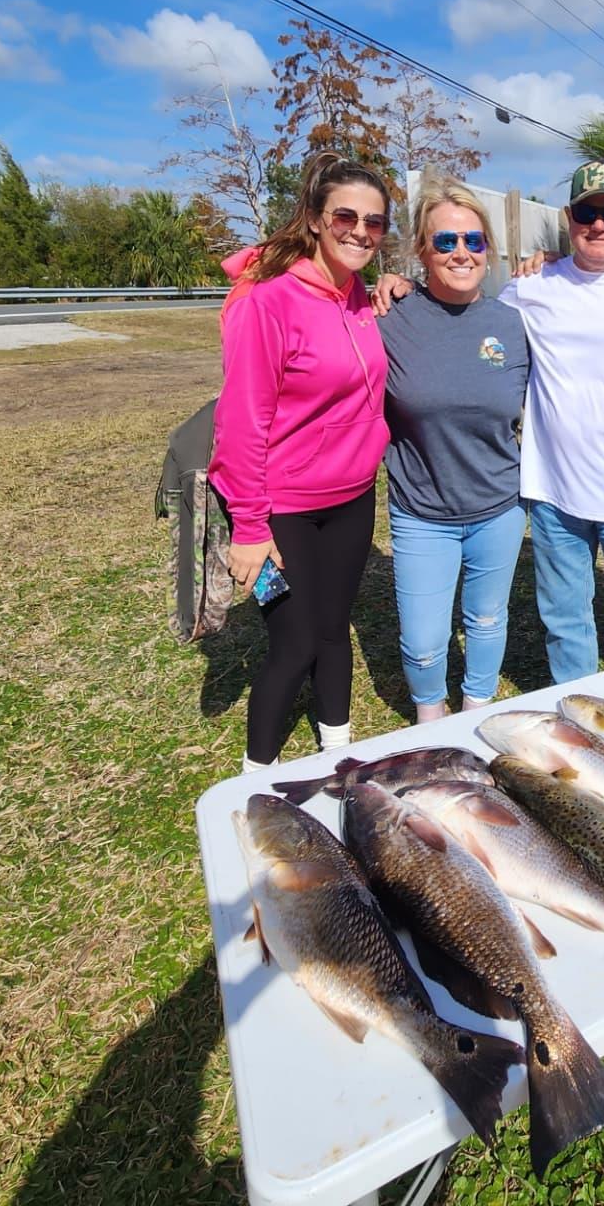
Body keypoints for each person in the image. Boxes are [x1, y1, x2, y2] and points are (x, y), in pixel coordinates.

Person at [374, 161, 604, 684]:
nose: (599, 224)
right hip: (554, 497)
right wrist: (404, 287)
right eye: (586, 212)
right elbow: (462, 310)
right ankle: (577, 719)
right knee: (565, 623)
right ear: (567, 216)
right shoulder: (531, 288)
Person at [210, 152, 392, 773]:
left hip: (351, 500)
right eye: (346, 216)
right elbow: (240, 423)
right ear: (316, 219)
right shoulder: (269, 302)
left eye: (375, 222)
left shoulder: (358, 295)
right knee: (291, 645)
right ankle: (255, 777)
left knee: (332, 630)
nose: (360, 232)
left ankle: (338, 762)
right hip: (278, 511)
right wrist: (250, 528)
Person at [376, 178, 530, 720]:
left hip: (499, 508)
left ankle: (477, 713)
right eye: (445, 241)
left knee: (487, 620)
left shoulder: (513, 322)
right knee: (423, 639)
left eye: (473, 240)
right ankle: (429, 720)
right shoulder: (389, 320)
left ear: (489, 249)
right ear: (422, 251)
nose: (461, 252)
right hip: (422, 512)